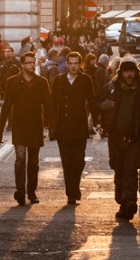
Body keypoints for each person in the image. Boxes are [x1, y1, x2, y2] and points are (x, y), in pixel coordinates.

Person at [99, 56, 140, 220]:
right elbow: (96, 103)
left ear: (136, 72)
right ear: (120, 72)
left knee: (131, 170)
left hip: (135, 138)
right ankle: (122, 201)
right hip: (116, 138)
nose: (129, 75)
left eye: (131, 71)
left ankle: (129, 201)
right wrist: (102, 107)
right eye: (126, 71)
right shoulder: (111, 88)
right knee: (118, 168)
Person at [0, 51, 55, 205]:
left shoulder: (42, 82)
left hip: (35, 125)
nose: (31, 65)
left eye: (33, 62)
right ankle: (20, 190)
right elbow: (7, 105)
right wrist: (0, 129)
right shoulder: (13, 82)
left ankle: (32, 191)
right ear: (22, 65)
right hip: (20, 125)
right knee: (20, 158)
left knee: (33, 162)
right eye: (28, 62)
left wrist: (52, 126)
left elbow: (49, 105)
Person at [50, 51, 99, 205]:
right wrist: (51, 124)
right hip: (63, 127)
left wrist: (97, 122)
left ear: (80, 64)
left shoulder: (85, 80)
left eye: (76, 63)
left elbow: (91, 101)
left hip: (79, 126)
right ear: (66, 64)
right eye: (70, 63)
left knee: (79, 160)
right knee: (67, 161)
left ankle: (75, 186)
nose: (73, 66)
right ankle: (71, 193)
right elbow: (53, 103)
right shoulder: (59, 80)